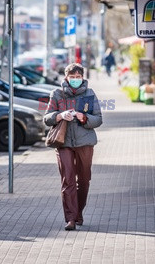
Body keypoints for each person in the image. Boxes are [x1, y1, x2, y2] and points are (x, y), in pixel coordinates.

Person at [44, 63, 103, 231]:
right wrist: (60, 116)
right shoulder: (57, 94)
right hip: (63, 143)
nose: (75, 80)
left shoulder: (89, 94)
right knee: (67, 180)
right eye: (72, 77)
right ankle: (70, 218)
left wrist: (84, 117)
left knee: (84, 181)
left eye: (78, 77)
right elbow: (46, 118)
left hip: (85, 143)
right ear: (66, 78)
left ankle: (78, 212)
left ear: (82, 78)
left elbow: (98, 119)